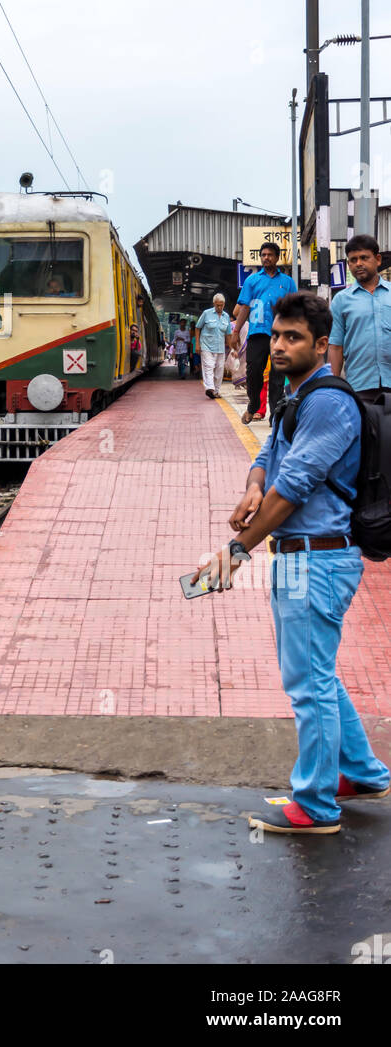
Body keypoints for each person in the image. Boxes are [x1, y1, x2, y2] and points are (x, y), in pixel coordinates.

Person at [193, 290, 390, 835]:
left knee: (308, 684)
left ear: (322, 344)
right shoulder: (296, 394)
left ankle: (317, 805)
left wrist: (237, 549)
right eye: (276, 335)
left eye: (292, 338)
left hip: (317, 559)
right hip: (305, 558)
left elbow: (297, 485)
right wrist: (255, 486)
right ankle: (364, 773)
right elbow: (269, 458)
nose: (278, 346)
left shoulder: (327, 401)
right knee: (318, 675)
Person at [230, 242, 297, 424]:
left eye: (270, 254)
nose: (266, 257)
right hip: (257, 334)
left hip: (280, 335)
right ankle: (254, 405)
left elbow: (294, 309)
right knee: (253, 373)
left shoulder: (288, 282)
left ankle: (274, 415)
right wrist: (236, 331)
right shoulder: (252, 281)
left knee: (277, 376)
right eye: (263, 255)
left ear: (277, 257)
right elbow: (244, 307)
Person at [329, 234, 391, 401]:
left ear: (377, 259)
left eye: (364, 258)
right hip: (359, 385)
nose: (358, 264)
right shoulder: (341, 300)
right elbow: (335, 346)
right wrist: (332, 388)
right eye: (353, 260)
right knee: (364, 427)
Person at [195, 293, 230, 398]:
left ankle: (216, 391)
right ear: (214, 303)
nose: (220, 307)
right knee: (209, 367)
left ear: (224, 304)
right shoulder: (206, 313)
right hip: (206, 346)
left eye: (222, 305)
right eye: (218, 305)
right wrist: (197, 344)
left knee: (219, 370)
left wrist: (233, 349)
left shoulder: (226, 316)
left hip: (220, 348)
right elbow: (197, 328)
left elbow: (228, 334)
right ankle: (210, 388)